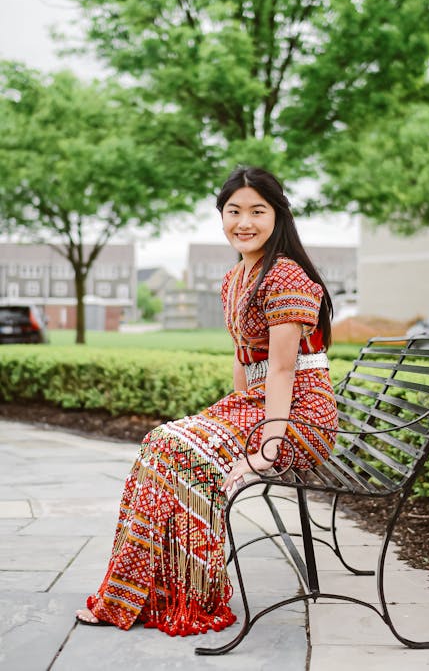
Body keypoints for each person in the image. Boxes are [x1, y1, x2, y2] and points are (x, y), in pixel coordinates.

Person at [75, 165, 338, 635]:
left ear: (278, 215)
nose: (245, 222)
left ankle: (190, 599)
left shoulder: (286, 276)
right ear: (221, 216)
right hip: (258, 406)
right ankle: (143, 596)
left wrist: (266, 447)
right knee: (161, 443)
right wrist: (230, 429)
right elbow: (244, 363)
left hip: (301, 414)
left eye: (258, 210)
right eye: (233, 211)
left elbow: (282, 368)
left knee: (180, 449)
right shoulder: (236, 277)